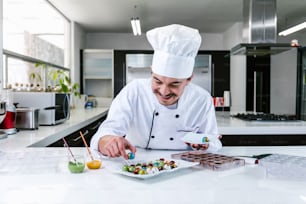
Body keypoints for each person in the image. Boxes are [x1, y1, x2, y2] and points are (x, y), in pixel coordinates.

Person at [90, 24, 222, 159]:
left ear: (188, 79)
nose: (164, 91)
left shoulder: (201, 99)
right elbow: (108, 129)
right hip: (137, 163)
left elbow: (213, 140)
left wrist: (206, 144)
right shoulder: (134, 90)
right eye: (157, 81)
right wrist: (106, 141)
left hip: (186, 166)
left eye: (174, 84)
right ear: (151, 72)